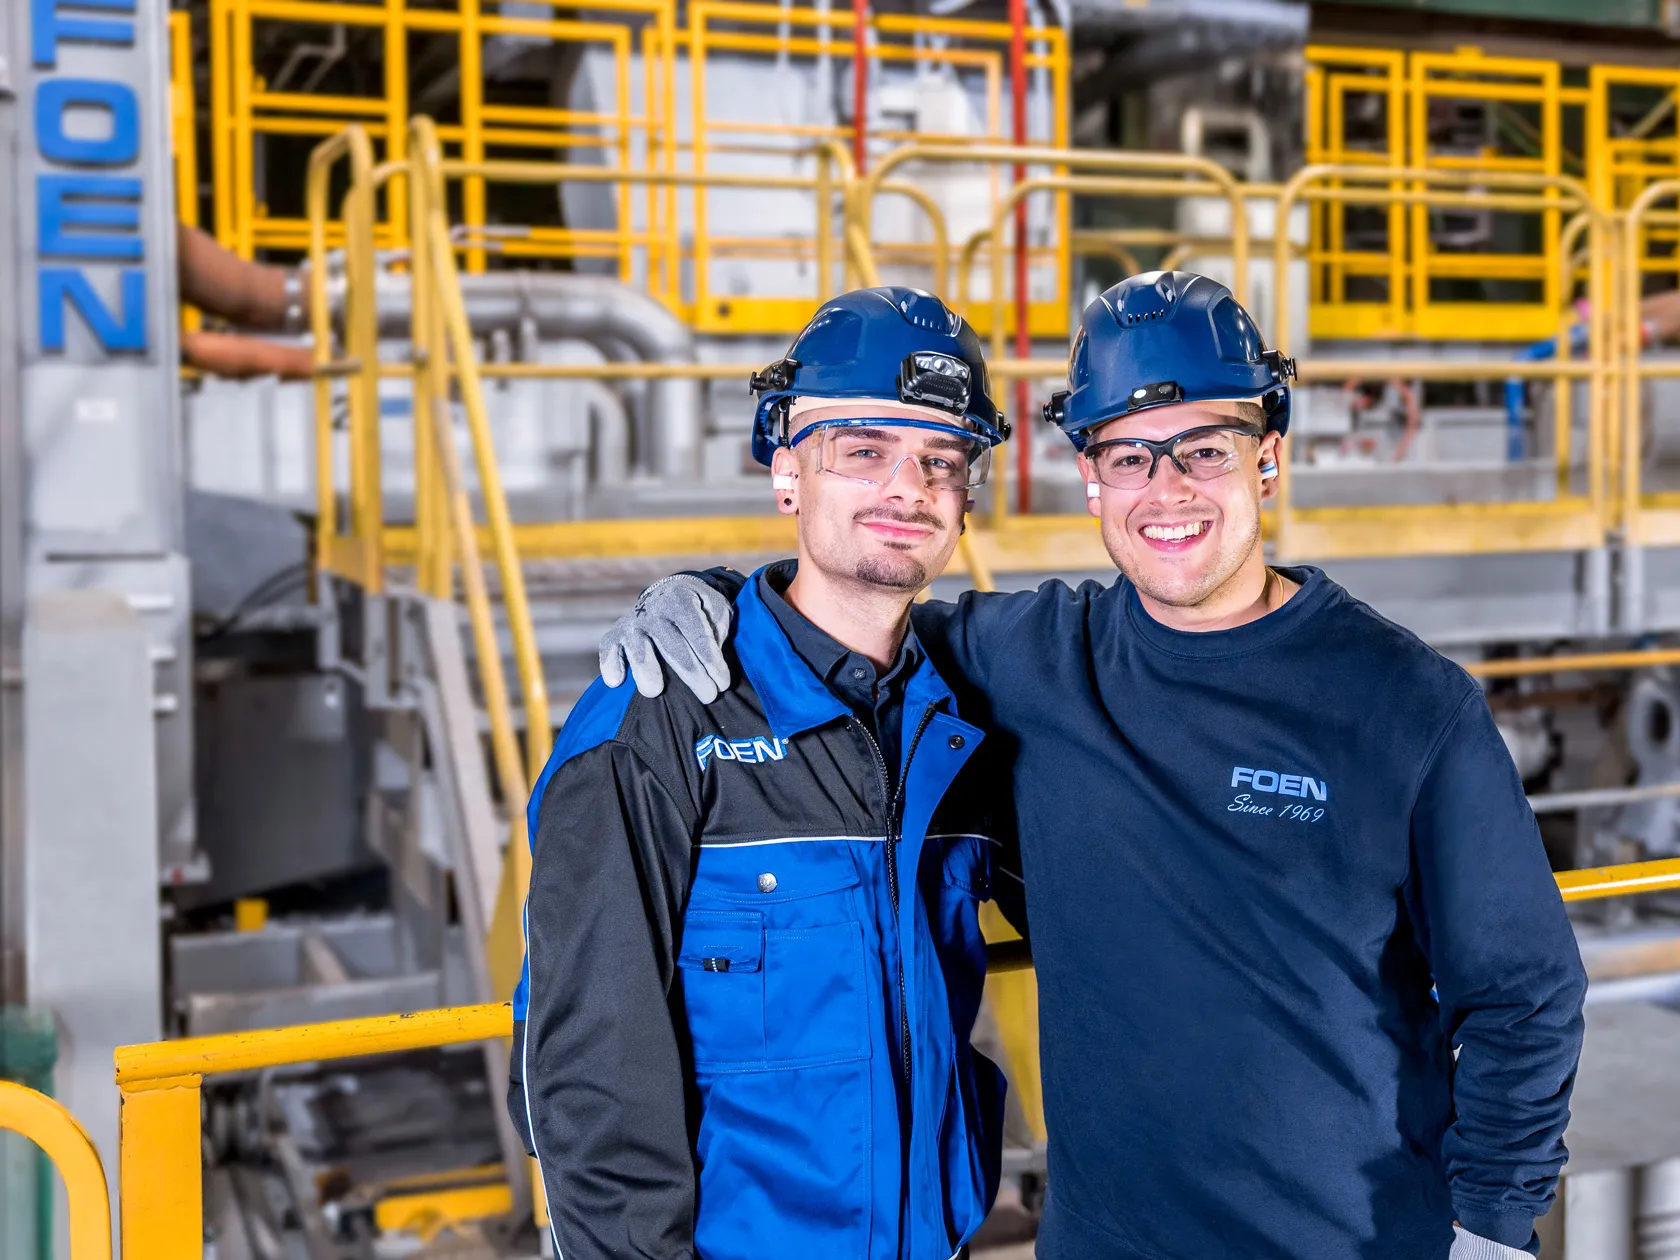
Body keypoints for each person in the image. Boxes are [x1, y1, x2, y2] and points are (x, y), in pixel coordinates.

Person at [599, 271, 1588, 1260]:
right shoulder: (1031, 660)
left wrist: (1494, 1229)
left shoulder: (1408, 705)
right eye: (1129, 456)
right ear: (1092, 479)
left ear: (1269, 457)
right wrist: (720, 599)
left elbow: (1523, 995)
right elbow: (847, 616)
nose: (1168, 492)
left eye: (1204, 449)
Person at [511, 286, 1027, 1260]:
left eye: (941, 460)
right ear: (786, 471)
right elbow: (584, 1070)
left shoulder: (958, 731)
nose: (906, 488)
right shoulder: (658, 722)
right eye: (862, 452)